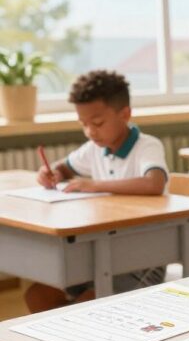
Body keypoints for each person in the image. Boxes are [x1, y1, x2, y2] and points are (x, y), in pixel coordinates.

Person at [24, 70, 169, 313]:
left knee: (84, 307)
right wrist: (52, 174)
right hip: (101, 256)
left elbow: (154, 183)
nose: (90, 131)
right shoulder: (94, 148)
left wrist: (94, 185)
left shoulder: (147, 146)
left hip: (141, 262)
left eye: (98, 123)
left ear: (125, 114)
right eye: (84, 124)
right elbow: (64, 168)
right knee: (37, 296)